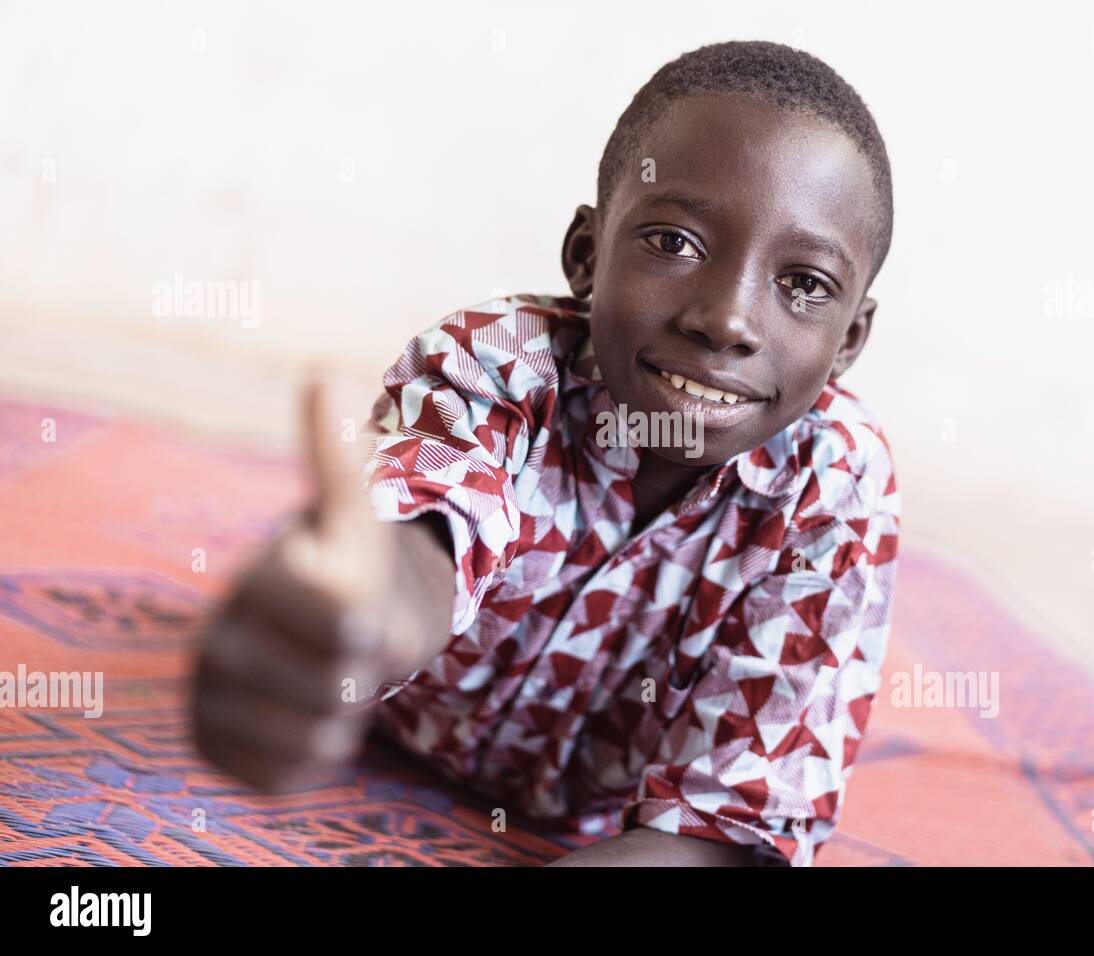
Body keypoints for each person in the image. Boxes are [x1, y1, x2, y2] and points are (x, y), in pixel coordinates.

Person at [193, 39, 901, 867]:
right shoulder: (501, 362)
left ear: (850, 339)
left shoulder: (834, 486)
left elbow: (730, 830)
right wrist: (362, 608)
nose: (728, 320)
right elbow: (427, 538)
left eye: (805, 285)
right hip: (391, 728)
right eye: (675, 242)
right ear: (586, 258)